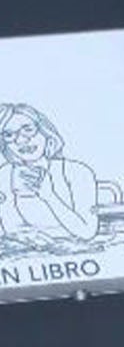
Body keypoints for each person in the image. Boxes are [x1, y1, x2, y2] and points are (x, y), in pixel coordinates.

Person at [0, 103, 100, 246]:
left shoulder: (77, 172)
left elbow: (87, 231)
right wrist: (23, 236)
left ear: (45, 132)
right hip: (31, 253)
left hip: (77, 251)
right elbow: (12, 228)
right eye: (8, 135)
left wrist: (49, 196)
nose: (21, 140)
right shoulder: (4, 175)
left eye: (28, 130)